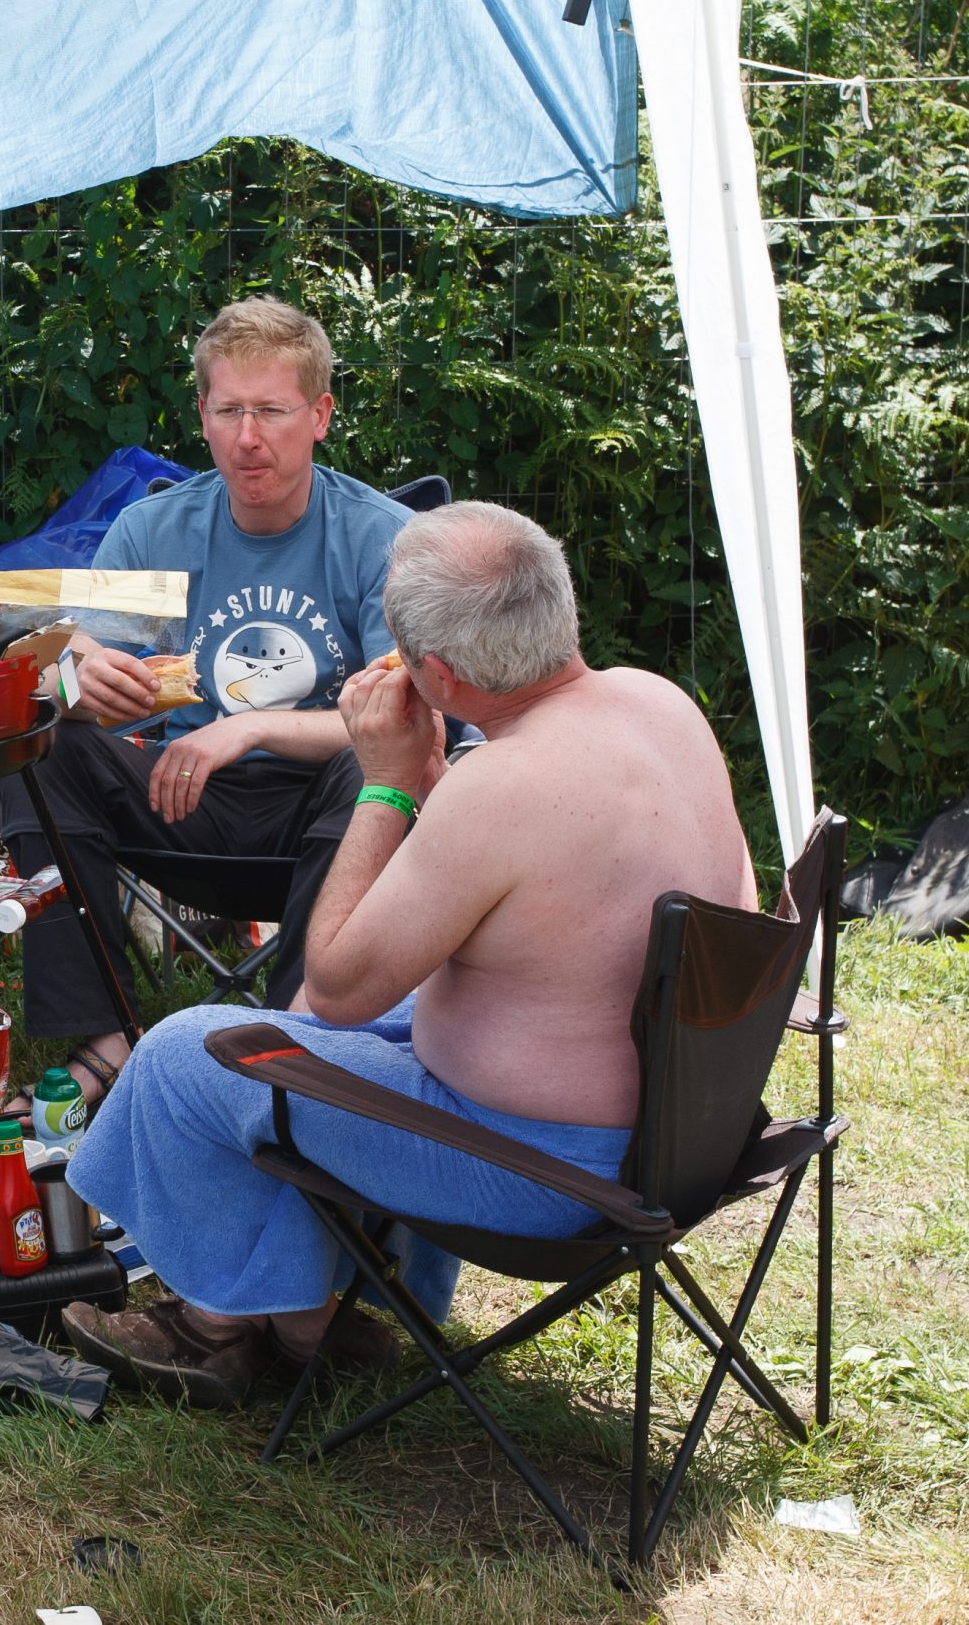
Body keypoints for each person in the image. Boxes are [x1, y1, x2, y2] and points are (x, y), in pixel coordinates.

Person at [58, 501, 758, 1404]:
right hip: (688, 1133)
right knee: (291, 1036)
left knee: (184, 1055)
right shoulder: (659, 702)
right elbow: (539, 891)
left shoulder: (503, 786)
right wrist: (434, 780)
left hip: (548, 1174)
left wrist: (387, 784)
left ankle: (216, 1326)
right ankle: (308, 1319)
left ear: (437, 675)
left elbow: (337, 984)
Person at [0, 296, 410, 1104]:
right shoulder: (151, 531)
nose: (248, 437)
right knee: (40, 748)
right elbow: (54, 666)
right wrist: (79, 679)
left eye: (272, 411)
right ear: (202, 416)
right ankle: (106, 1037)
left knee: (377, 764)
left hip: (324, 813)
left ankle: (300, 1039)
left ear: (321, 415)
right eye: (229, 410)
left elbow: (405, 717)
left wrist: (248, 727)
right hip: (180, 799)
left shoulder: (382, 538)